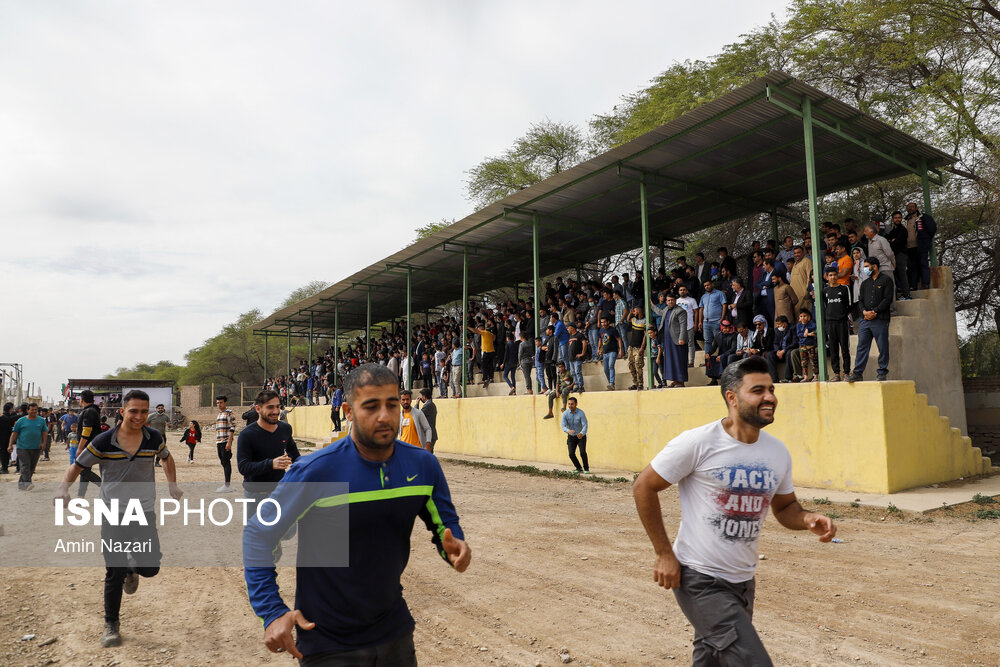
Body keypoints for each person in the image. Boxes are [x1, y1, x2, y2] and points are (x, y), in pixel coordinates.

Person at [244, 364, 471, 663]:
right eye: (371, 406)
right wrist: (272, 611)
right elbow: (258, 535)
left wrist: (454, 548)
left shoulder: (423, 466)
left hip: (395, 632)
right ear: (348, 411)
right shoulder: (315, 472)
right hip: (327, 641)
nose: (384, 415)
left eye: (392, 405)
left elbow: (446, 526)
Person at [632, 357, 836, 666]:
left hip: (743, 582)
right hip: (699, 579)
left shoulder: (776, 452)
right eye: (758, 390)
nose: (770, 397)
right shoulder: (698, 443)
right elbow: (644, 486)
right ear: (732, 397)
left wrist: (806, 518)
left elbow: (784, 507)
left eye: (771, 389)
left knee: (713, 660)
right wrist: (663, 553)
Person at [55, 389, 183, 648]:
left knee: (151, 567)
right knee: (113, 570)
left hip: (144, 511)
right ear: (122, 411)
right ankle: (111, 624)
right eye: (134, 411)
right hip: (112, 511)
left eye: (143, 411)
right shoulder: (104, 441)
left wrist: (172, 485)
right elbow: (78, 466)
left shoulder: (153, 437)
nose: (139, 416)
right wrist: (62, 489)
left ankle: (132, 569)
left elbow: (167, 458)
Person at [237, 390, 301, 502]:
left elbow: (294, 454)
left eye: (277, 406)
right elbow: (243, 467)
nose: (276, 411)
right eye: (270, 407)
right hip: (255, 495)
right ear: (258, 409)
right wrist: (271, 463)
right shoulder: (246, 435)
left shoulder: (285, 429)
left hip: (280, 492)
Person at [847, 256, 894, 382]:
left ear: (875, 266)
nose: (865, 269)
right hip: (865, 320)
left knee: (882, 346)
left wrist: (875, 311)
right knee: (862, 346)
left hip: (880, 319)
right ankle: (857, 373)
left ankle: (882, 372)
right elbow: (860, 301)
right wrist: (864, 312)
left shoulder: (886, 280)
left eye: (867, 266)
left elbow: (887, 299)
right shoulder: (865, 283)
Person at [9, 402, 48, 490]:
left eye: (36, 410)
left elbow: (44, 432)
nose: (34, 411)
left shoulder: (41, 420)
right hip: (23, 448)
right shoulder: (21, 421)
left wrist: (44, 443)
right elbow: (14, 433)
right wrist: (10, 445)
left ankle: (22, 484)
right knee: (25, 465)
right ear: (27, 410)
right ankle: (28, 483)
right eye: (32, 410)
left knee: (31, 467)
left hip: (36, 447)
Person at [823, 266, 852, 381]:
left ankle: (846, 373)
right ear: (827, 277)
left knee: (845, 348)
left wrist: (844, 316)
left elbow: (848, 305)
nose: (833, 277)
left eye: (834, 274)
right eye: (830, 275)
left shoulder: (844, 289)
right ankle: (836, 374)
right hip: (830, 323)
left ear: (837, 275)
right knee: (833, 349)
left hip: (842, 322)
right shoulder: (824, 291)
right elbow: (825, 305)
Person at [904, 201, 937, 291]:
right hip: (909, 248)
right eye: (908, 207)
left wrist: (925, 239)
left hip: (921, 246)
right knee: (912, 267)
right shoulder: (905, 220)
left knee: (923, 264)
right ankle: (913, 285)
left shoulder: (923, 217)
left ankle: (925, 283)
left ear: (916, 208)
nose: (910, 208)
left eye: (912, 206)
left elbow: (932, 228)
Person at [659, 294, 689, 388]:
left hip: (678, 340)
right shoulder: (666, 310)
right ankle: (675, 381)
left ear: (675, 300)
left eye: (672, 300)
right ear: (666, 301)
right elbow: (659, 312)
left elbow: (683, 326)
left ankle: (681, 382)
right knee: (671, 361)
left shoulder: (681, 311)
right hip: (668, 340)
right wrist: (651, 305)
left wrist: (681, 338)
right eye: (668, 300)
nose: (670, 302)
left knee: (679, 360)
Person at [765, 315, 797, 383]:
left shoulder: (793, 328)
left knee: (789, 353)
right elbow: (775, 343)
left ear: (784, 323)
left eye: (779, 324)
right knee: (769, 355)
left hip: (788, 350)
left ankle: (788, 377)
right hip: (780, 352)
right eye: (777, 324)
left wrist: (784, 350)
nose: (777, 326)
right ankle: (774, 378)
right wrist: (777, 351)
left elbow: (794, 343)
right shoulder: (777, 330)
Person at [886, 211, 911, 300]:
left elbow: (897, 243)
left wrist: (893, 241)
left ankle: (907, 294)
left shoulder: (903, 230)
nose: (897, 219)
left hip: (901, 254)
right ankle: (900, 292)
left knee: (902, 273)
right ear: (892, 219)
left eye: (899, 217)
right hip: (893, 256)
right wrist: (892, 241)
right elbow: (888, 242)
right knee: (894, 274)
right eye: (895, 218)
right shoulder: (892, 231)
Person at [561, 396, 589, 474]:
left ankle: (586, 468)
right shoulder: (565, 414)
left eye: (572, 404)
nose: (570, 405)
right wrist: (568, 431)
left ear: (576, 404)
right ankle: (579, 468)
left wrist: (582, 433)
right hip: (571, 437)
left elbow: (585, 424)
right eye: (569, 404)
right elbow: (563, 426)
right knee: (571, 454)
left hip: (581, 436)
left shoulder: (581, 413)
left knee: (582, 452)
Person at [215, 395, 236, 493]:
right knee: (223, 462)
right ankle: (226, 484)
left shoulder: (228, 413)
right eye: (217, 403)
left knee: (226, 462)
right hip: (219, 441)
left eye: (221, 402)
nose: (219, 404)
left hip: (225, 441)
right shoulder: (219, 414)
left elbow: (232, 427)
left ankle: (227, 485)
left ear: (225, 403)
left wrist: (229, 442)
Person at [598, 315, 624, 391]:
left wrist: (620, 350)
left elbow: (619, 339)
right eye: (602, 322)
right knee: (606, 370)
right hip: (605, 353)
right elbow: (600, 339)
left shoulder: (613, 330)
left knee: (611, 366)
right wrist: (598, 348)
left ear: (608, 322)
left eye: (604, 322)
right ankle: (611, 384)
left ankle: (612, 383)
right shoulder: (601, 330)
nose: (603, 324)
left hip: (613, 351)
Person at [626, 306, 648, 390]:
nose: (633, 312)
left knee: (638, 365)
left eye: (634, 310)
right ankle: (635, 383)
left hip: (639, 347)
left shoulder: (645, 320)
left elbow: (645, 335)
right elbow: (628, 319)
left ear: (639, 311)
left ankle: (640, 384)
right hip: (631, 346)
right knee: (631, 365)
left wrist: (642, 347)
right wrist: (630, 313)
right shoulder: (634, 319)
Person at [795, 309, 819, 382]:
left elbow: (815, 327)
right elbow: (799, 334)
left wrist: (808, 329)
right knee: (803, 362)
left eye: (805, 316)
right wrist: (808, 334)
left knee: (813, 361)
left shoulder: (811, 323)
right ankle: (805, 377)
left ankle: (816, 376)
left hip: (811, 345)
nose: (803, 318)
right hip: (802, 346)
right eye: (801, 316)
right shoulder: (798, 325)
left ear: (809, 317)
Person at [146, 404, 170, 468]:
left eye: (161, 408)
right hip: (152, 435)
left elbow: (171, 425)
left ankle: (157, 462)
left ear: (163, 409)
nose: (160, 409)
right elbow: (144, 424)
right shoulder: (151, 416)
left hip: (162, 435)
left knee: (161, 449)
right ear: (156, 409)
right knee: (152, 449)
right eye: (159, 408)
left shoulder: (166, 417)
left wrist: (168, 425)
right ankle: (151, 462)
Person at [566, 321, 587, 392]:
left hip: (577, 358)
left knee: (578, 372)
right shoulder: (570, 336)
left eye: (568, 328)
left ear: (572, 328)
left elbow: (584, 343)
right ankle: (577, 386)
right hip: (571, 358)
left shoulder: (579, 335)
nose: (567, 330)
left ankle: (581, 386)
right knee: (573, 373)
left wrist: (582, 353)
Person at [416, 388, 438, 454]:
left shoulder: (428, 405)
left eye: (422, 396)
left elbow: (416, 415)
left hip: (429, 435)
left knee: (426, 455)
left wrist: (417, 404)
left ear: (424, 396)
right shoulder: (431, 404)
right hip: (431, 434)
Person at [0, 402, 16, 474]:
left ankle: (4, 468)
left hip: (1, 438)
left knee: (3, 452)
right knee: (7, 453)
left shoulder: (2, 418)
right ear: (10, 409)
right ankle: (4, 468)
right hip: (9, 438)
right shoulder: (12, 418)